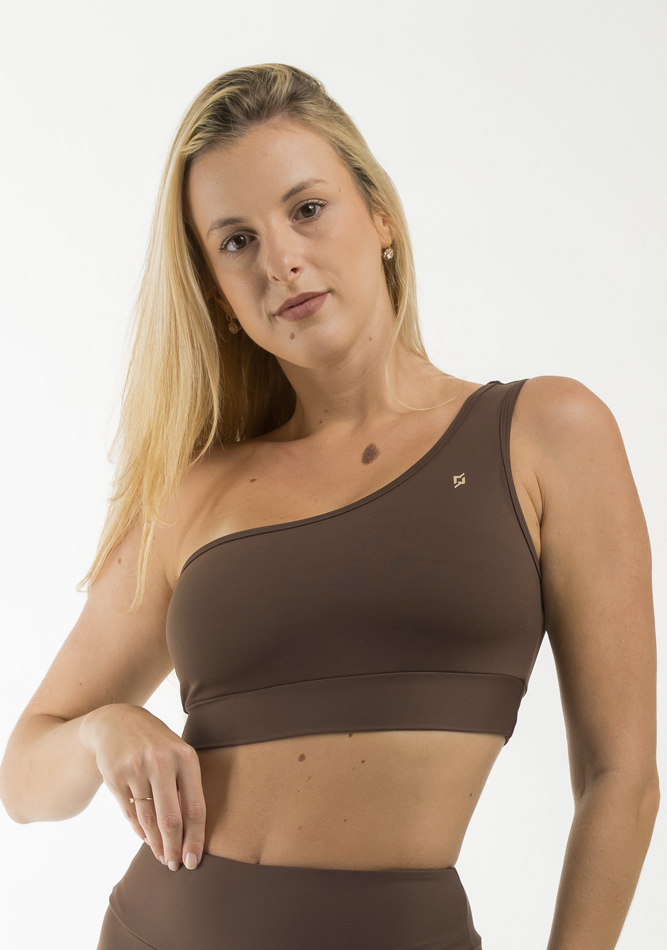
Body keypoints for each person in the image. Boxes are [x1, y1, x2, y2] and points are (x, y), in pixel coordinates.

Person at [0, 63, 659, 950]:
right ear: (217, 294)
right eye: (236, 241)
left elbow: (622, 778)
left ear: (379, 216)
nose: (280, 261)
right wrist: (103, 731)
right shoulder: (196, 491)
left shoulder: (544, 432)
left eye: (306, 209)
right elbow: (24, 778)